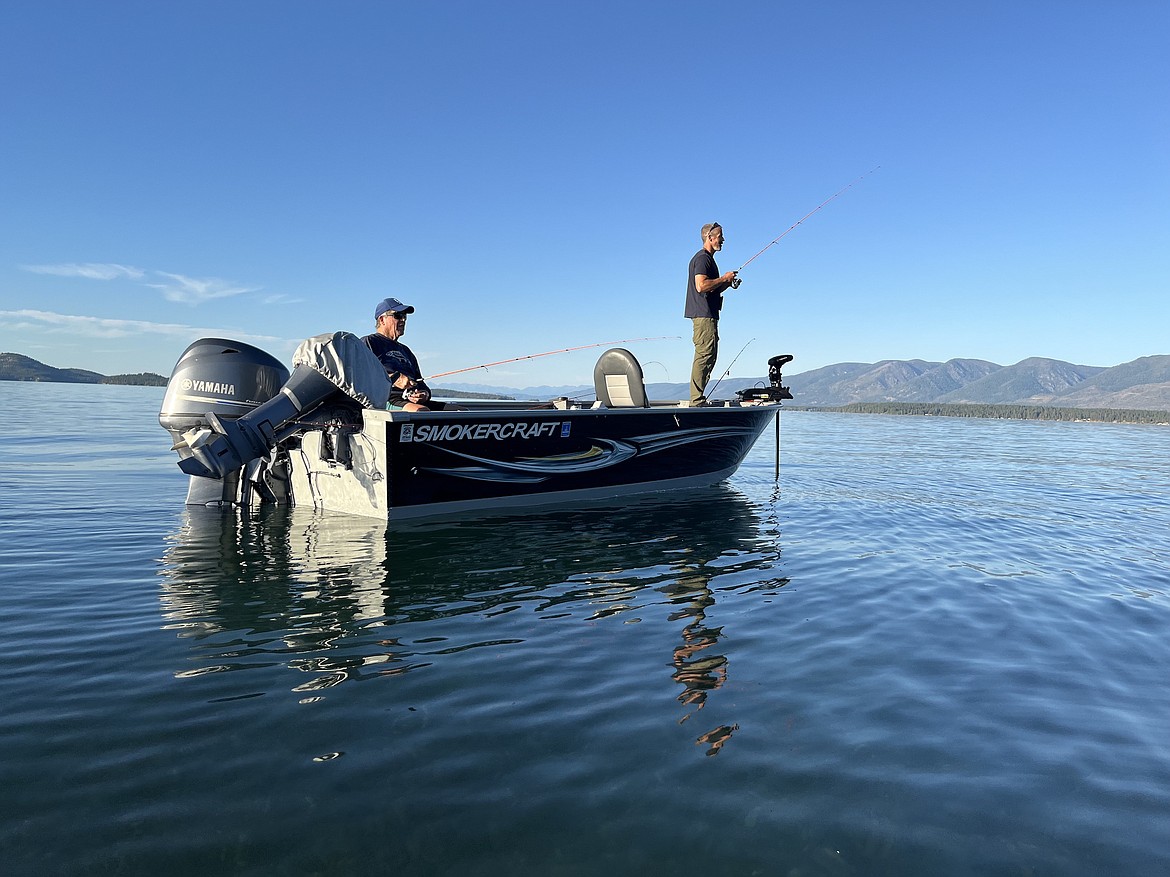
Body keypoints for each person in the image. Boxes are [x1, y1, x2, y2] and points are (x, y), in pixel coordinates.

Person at [361, 297, 457, 411]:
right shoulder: (368, 342)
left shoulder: (406, 351)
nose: (403, 320)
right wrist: (395, 379)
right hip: (385, 400)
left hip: (410, 400)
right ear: (382, 320)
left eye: (404, 316)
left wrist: (424, 394)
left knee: (461, 413)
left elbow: (421, 384)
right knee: (421, 411)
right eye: (398, 316)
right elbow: (360, 375)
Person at [683, 222, 740, 404]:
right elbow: (701, 286)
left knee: (710, 354)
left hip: (708, 314)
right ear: (710, 237)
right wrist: (723, 277)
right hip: (703, 315)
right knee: (704, 355)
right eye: (720, 235)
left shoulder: (708, 259)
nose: (723, 239)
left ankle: (698, 399)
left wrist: (727, 283)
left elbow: (711, 288)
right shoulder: (702, 259)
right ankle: (696, 400)